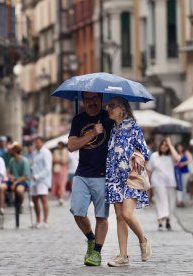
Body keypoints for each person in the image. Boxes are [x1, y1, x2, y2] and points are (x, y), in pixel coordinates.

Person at [104, 97, 151, 267]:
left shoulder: (133, 127)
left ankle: (143, 240)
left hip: (130, 177)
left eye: (112, 106)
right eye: (108, 105)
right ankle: (123, 256)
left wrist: (137, 158)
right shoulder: (113, 130)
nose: (108, 108)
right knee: (119, 217)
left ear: (122, 110)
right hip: (115, 178)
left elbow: (145, 152)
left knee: (127, 214)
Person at [68, 91, 114, 266]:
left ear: (101, 99)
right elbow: (72, 146)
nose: (91, 102)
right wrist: (92, 133)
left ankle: (96, 252)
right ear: (83, 101)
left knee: (101, 217)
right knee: (77, 212)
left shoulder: (108, 118)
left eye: (95, 99)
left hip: (103, 175)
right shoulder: (78, 120)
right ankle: (91, 238)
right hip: (82, 174)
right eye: (87, 99)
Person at [146, 138, 178, 231]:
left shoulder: (171, 156)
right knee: (160, 201)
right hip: (157, 182)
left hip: (170, 182)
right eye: (163, 144)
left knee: (170, 202)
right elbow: (149, 169)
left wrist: (170, 145)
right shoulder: (154, 156)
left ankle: (168, 219)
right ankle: (160, 221)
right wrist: (148, 183)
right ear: (159, 146)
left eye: (166, 145)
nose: (164, 146)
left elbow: (177, 158)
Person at [0, 143, 30, 216]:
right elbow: (8, 171)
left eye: (11, 150)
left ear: (15, 150)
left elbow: (25, 176)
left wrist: (15, 182)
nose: (9, 151)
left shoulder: (24, 161)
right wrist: (10, 177)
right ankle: (1, 208)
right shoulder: (12, 160)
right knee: (1, 187)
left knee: (19, 190)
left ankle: (21, 204)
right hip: (13, 180)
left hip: (22, 181)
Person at [30, 136, 52, 228]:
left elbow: (47, 168)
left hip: (42, 179)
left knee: (43, 199)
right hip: (34, 179)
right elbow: (33, 164)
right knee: (35, 200)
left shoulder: (46, 153)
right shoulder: (34, 152)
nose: (37, 144)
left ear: (42, 143)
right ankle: (38, 220)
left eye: (38, 142)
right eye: (36, 142)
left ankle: (45, 221)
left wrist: (38, 175)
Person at [174, 143, 193, 207]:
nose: (179, 148)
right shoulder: (175, 153)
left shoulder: (186, 153)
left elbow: (190, 160)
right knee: (178, 186)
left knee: (184, 186)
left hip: (185, 172)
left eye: (180, 147)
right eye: (178, 147)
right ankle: (179, 200)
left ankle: (183, 200)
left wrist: (183, 163)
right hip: (177, 171)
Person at [51, 141, 68, 205]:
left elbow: (65, 161)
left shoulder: (65, 151)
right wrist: (60, 161)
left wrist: (59, 161)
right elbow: (54, 160)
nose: (58, 146)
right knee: (56, 184)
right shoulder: (55, 151)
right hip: (56, 169)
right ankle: (59, 198)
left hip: (63, 169)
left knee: (62, 184)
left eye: (59, 145)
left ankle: (61, 198)